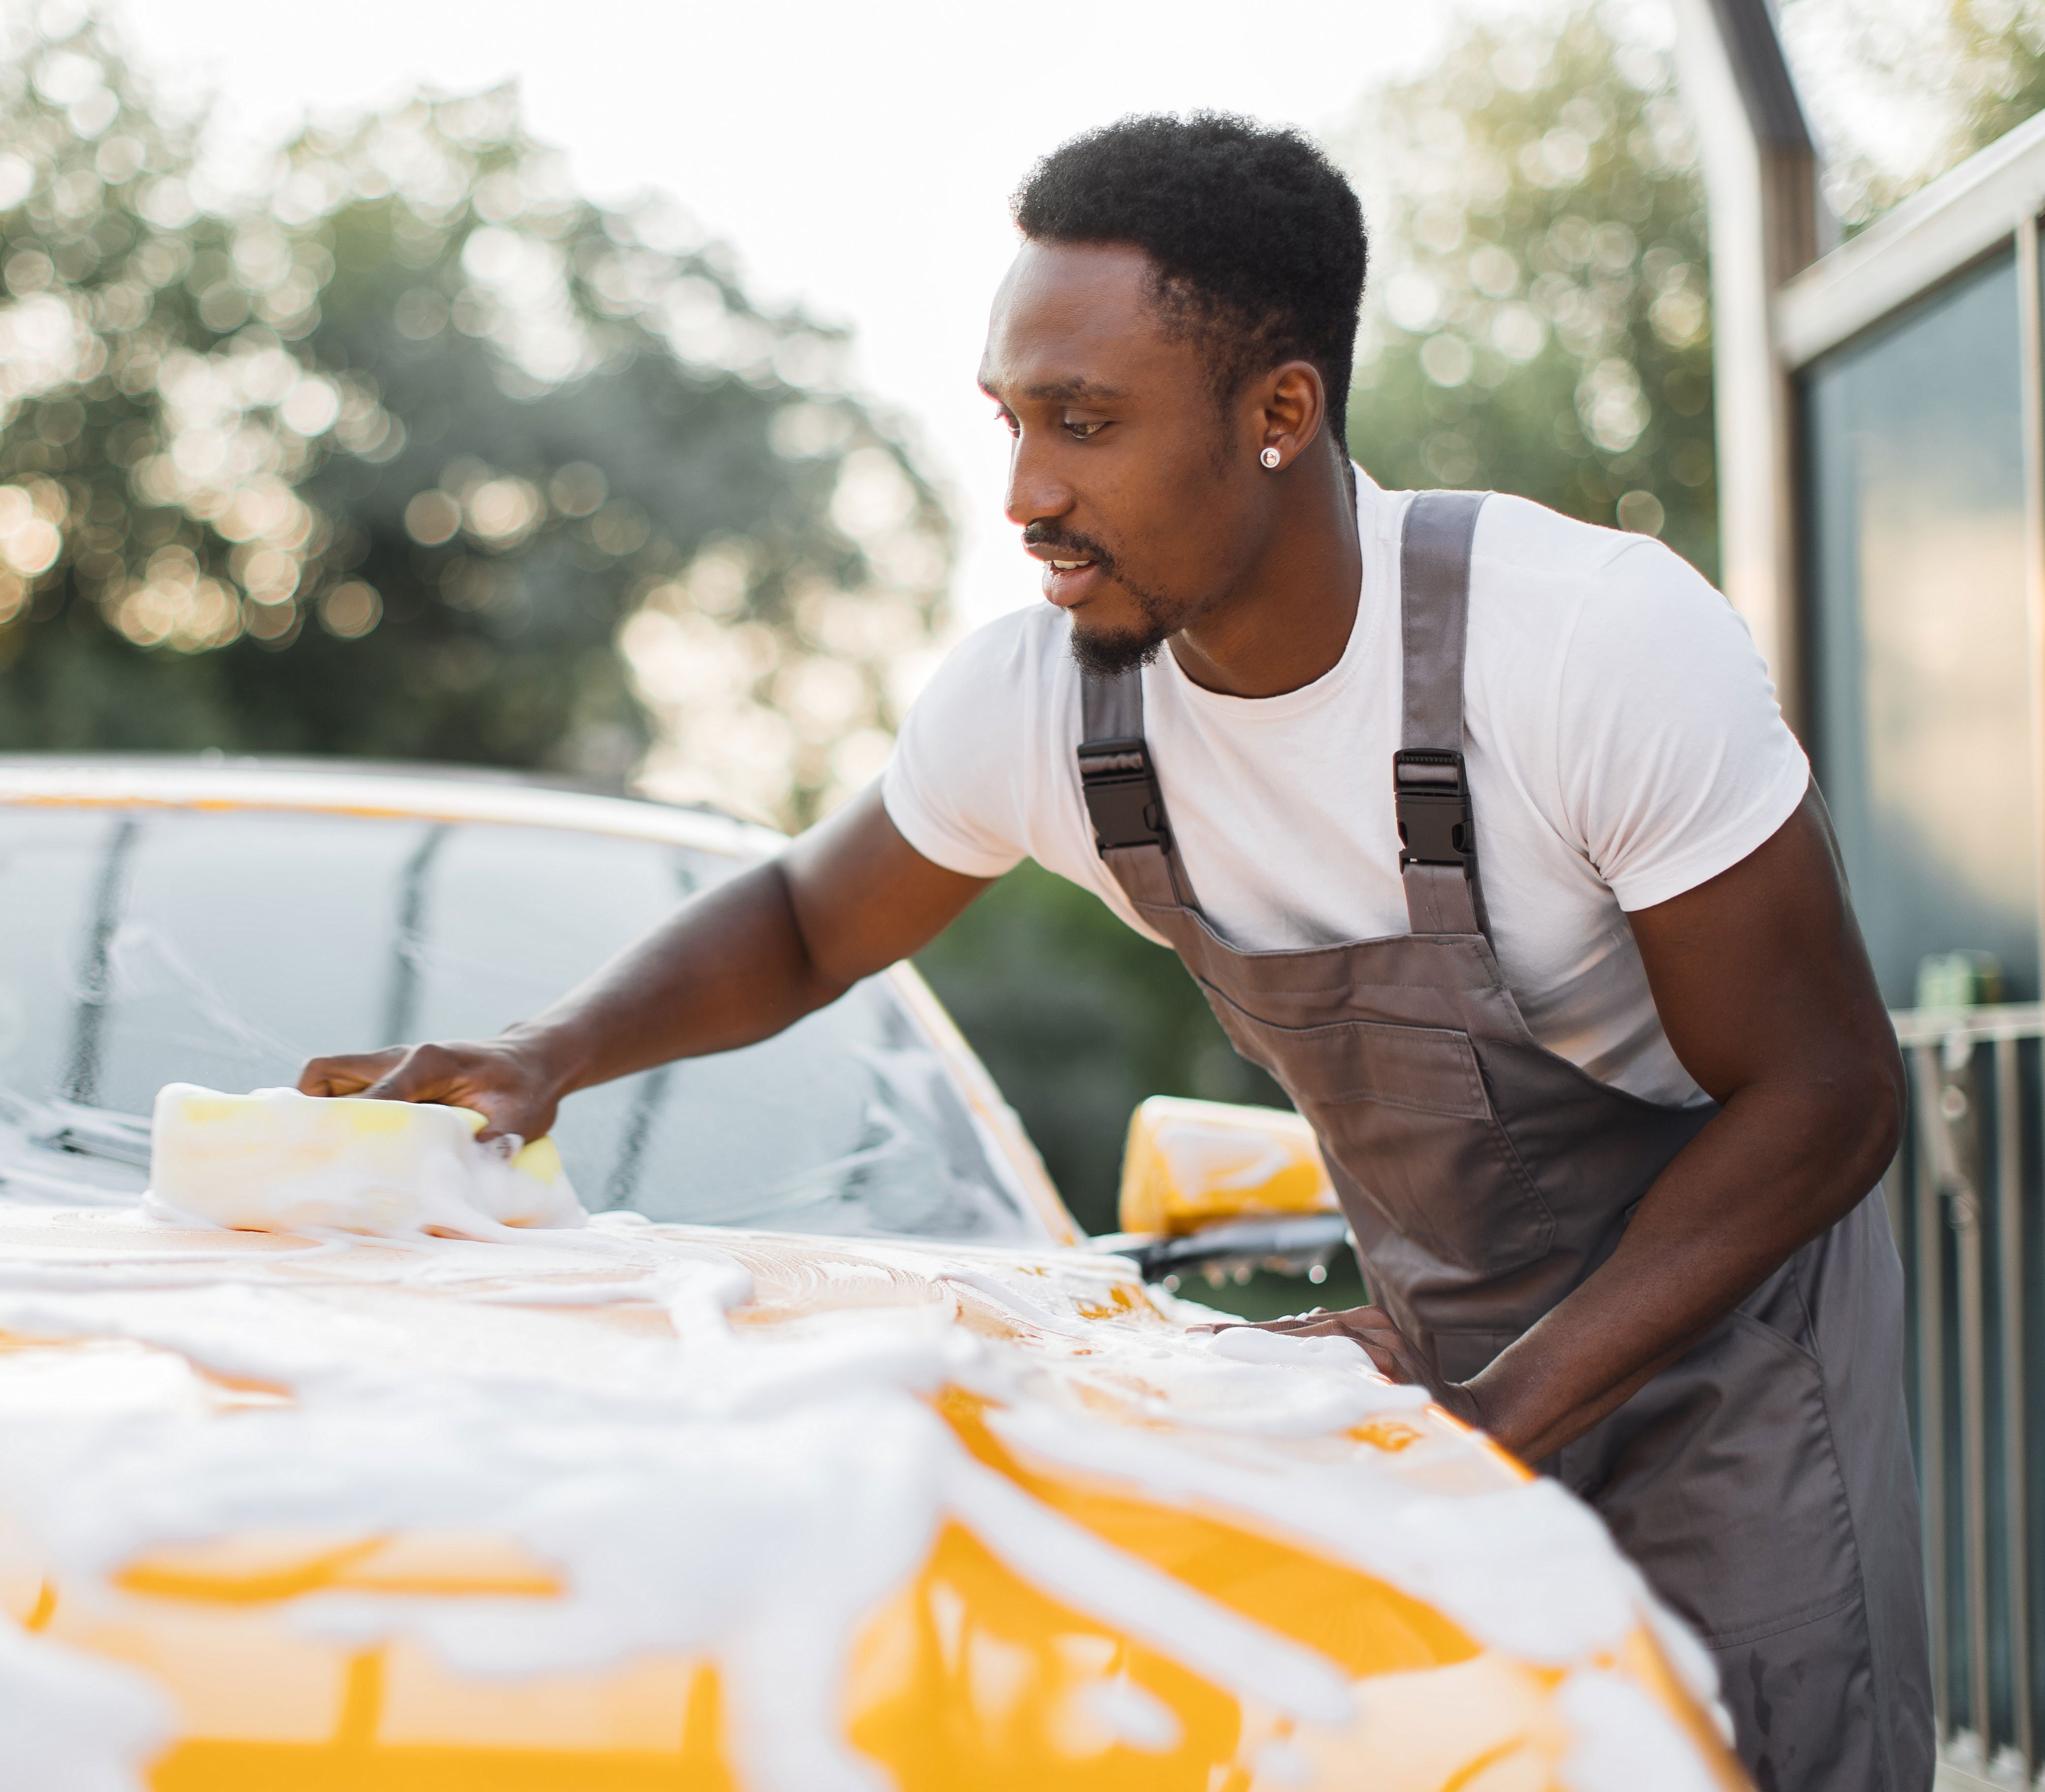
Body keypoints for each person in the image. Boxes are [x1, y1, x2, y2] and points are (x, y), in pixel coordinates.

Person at [302, 112, 1928, 1788]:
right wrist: (548, 1053)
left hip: (1723, 1348)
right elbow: (805, 922)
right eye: (1010, 422)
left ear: (1280, 412)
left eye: (1085, 425)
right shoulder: (1048, 707)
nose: (1025, 496)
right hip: (1428, 1365)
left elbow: (1825, 1096)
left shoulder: (1586, 644)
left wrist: (1495, 1418)